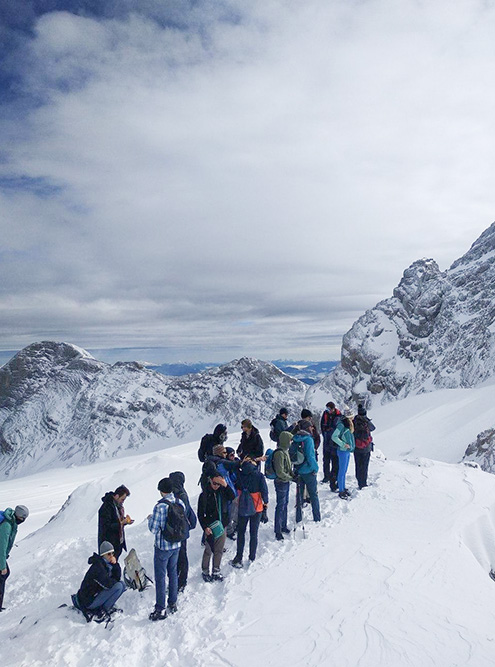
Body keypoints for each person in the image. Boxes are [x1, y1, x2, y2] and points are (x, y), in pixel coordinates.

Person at [147, 477, 185, 620]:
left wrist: (150, 518)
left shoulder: (160, 507)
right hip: (176, 544)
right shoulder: (179, 502)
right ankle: (173, 602)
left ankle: (160, 609)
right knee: (173, 573)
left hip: (162, 547)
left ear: (161, 490)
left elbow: (153, 529)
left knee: (161, 577)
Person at [73, 541, 126, 622]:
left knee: (122, 585)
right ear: (103, 555)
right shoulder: (98, 567)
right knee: (118, 586)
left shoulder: (107, 564)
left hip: (96, 594)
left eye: (112, 553)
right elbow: (108, 584)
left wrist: (115, 565)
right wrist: (114, 581)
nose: (111, 556)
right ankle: (102, 610)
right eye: (108, 554)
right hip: (89, 600)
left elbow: (117, 578)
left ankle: (105, 608)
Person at [231, 459, 269, 568]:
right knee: (254, 533)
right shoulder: (259, 475)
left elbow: (237, 486)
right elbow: (264, 491)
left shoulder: (240, 474)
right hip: (257, 506)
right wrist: (265, 502)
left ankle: (238, 557)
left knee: (241, 532)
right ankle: (252, 557)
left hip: (244, 505)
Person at [197, 474, 235, 582]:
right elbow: (200, 514)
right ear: (210, 480)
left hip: (222, 525)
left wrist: (226, 485)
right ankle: (205, 571)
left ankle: (216, 571)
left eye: (219, 484)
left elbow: (233, 496)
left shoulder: (223, 491)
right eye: (214, 483)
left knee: (219, 550)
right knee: (208, 550)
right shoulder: (204, 495)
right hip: (210, 527)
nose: (216, 486)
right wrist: (205, 527)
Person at [169, 471, 197, 593]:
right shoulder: (182, 492)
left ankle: (180, 581)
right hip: (182, 530)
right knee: (181, 555)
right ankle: (180, 580)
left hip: (178, 531)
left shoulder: (177, 494)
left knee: (180, 556)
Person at [0, 504, 29, 611]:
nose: (23, 520)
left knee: (4, 575)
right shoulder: (6, 525)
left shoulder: (11, 521)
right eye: (23, 518)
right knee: (2, 575)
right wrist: (2, 565)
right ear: (18, 516)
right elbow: (1, 546)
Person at [293, 420, 321, 523]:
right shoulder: (308, 439)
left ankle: (298, 518)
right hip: (308, 471)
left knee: (299, 496)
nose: (312, 428)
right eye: (310, 426)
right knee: (313, 495)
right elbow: (310, 456)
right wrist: (315, 468)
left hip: (298, 470)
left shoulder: (296, 438)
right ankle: (317, 518)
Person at [98, 485, 133, 560]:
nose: (123, 502)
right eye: (122, 499)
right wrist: (121, 523)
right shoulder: (106, 507)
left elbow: (116, 520)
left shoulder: (117, 506)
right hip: (109, 544)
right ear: (116, 496)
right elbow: (106, 526)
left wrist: (125, 521)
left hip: (117, 543)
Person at [272, 431, 295, 540]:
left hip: (285, 481)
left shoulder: (285, 451)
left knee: (285, 504)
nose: (291, 442)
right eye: (290, 440)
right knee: (281, 505)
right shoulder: (280, 453)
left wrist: (292, 475)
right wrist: (290, 477)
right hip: (281, 482)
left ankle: (283, 525)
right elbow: (280, 471)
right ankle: (278, 529)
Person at [331, 408, 356, 499]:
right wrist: (343, 444)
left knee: (344, 470)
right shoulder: (341, 425)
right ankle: (341, 490)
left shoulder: (347, 424)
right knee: (342, 471)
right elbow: (334, 436)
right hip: (342, 451)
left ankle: (343, 487)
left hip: (346, 451)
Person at [320, 402, 342, 489]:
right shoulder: (325, 414)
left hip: (334, 443)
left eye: (329, 409)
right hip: (326, 441)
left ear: (333, 409)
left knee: (335, 461)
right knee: (326, 460)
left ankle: (333, 478)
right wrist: (325, 433)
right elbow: (322, 425)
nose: (327, 410)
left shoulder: (338, 416)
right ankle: (326, 476)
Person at [353, 404, 376, 489]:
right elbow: (373, 428)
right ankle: (363, 483)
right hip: (366, 448)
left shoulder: (354, 421)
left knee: (358, 465)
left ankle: (359, 481)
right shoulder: (366, 422)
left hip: (356, 448)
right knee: (364, 466)